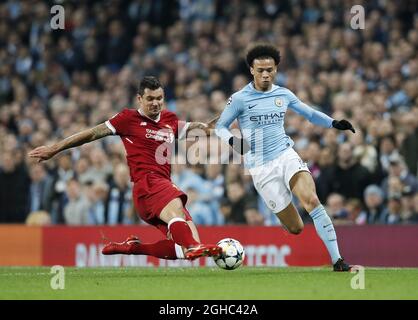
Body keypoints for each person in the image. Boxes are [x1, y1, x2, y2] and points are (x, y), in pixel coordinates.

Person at [29, 76, 221, 261]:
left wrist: (220, 119)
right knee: (183, 225)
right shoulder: (128, 118)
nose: (155, 103)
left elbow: (200, 128)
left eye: (159, 98)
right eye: (150, 99)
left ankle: (133, 248)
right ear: (140, 99)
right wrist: (54, 149)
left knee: (187, 248)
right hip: (147, 184)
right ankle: (193, 245)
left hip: (160, 189)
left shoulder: (169, 119)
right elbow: (92, 133)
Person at [215, 43, 355, 271]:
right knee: (296, 228)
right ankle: (286, 219)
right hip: (261, 168)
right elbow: (220, 127)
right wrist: (233, 140)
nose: (265, 74)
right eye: (260, 70)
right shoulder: (239, 99)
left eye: (270, 69)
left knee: (311, 200)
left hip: (285, 154)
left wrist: (333, 123)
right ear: (251, 70)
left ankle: (337, 260)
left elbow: (309, 114)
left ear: (276, 69)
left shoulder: (283, 93)